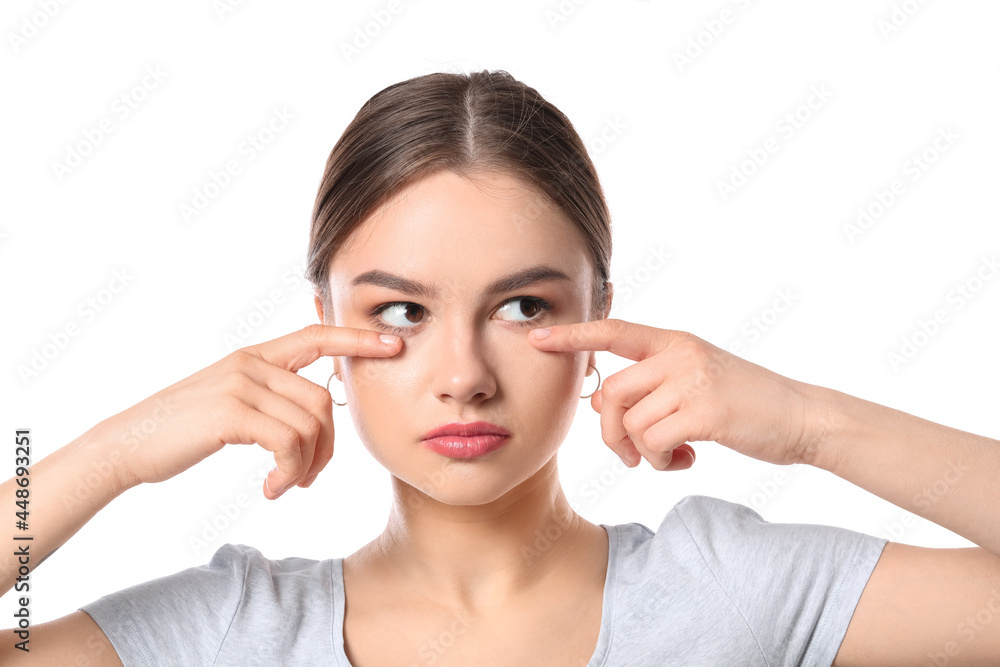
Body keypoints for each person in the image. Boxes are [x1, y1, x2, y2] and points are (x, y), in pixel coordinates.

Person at [2, 69, 998, 666]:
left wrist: (810, 421)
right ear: (322, 330)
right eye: (401, 311)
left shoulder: (731, 591)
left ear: (599, 316)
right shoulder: (230, 630)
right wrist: (116, 450)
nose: (464, 374)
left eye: (524, 306)